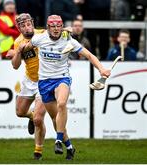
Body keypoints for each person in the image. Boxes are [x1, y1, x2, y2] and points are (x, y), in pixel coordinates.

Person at [22, 15, 111, 160]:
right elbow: (26, 49)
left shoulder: (69, 41)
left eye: (58, 26)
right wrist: (18, 51)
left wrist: (101, 69)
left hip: (62, 78)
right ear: (48, 27)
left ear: (61, 26)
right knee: (55, 120)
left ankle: (57, 141)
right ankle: (69, 146)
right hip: (44, 82)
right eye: (53, 26)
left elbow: (89, 55)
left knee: (62, 103)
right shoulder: (39, 38)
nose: (56, 29)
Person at [9, 13, 46, 160]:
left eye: (28, 23)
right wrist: (18, 52)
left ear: (32, 23)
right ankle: (30, 117)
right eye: (23, 25)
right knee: (20, 112)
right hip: (29, 79)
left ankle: (38, 151)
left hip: (44, 81)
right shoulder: (18, 42)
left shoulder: (43, 34)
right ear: (19, 28)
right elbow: (15, 66)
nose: (26, 27)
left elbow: (57, 36)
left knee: (39, 119)